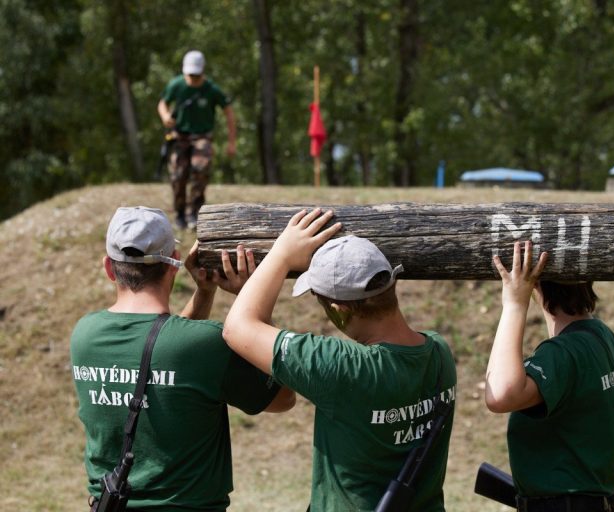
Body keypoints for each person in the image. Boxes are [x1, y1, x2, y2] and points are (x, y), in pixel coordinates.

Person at [222, 208, 457, 511]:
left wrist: (281, 254)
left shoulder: (343, 367)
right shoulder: (439, 352)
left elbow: (238, 328)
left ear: (340, 309)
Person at [70, 206, 294, 511]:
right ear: (172, 264)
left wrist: (204, 294)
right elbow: (282, 398)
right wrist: (253, 304)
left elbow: (160, 347)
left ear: (110, 268)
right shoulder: (205, 343)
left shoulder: (84, 335)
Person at [484, 241, 614, 512]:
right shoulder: (603, 339)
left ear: (535, 284)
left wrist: (513, 304)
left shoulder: (561, 353)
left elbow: (501, 395)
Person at [157, 50, 237, 230]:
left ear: (202, 71)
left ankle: (195, 212)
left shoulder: (211, 90)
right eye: (190, 75)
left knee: (201, 170)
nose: (193, 79)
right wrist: (165, 116)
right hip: (180, 136)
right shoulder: (176, 85)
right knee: (178, 176)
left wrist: (232, 142)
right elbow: (162, 102)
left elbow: (229, 113)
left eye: (196, 75)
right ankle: (179, 213)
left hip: (202, 136)